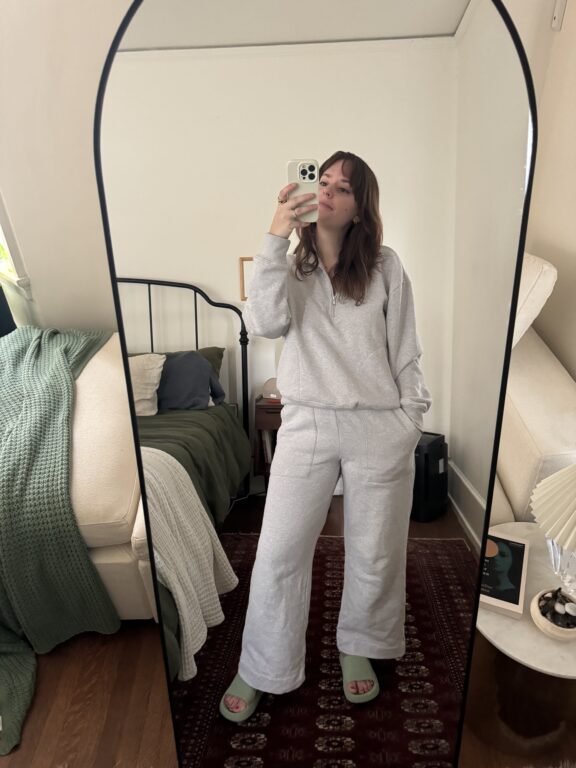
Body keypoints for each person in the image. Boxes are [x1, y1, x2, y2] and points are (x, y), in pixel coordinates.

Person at [219, 150, 432, 721]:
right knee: (278, 552)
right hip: (307, 423)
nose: (329, 192)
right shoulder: (290, 268)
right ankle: (262, 665)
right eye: (324, 182)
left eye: (343, 187)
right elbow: (264, 323)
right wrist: (275, 234)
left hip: (379, 426)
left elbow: (406, 350)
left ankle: (359, 644)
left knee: (375, 550)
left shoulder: (385, 266)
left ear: (360, 208)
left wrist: (410, 421)